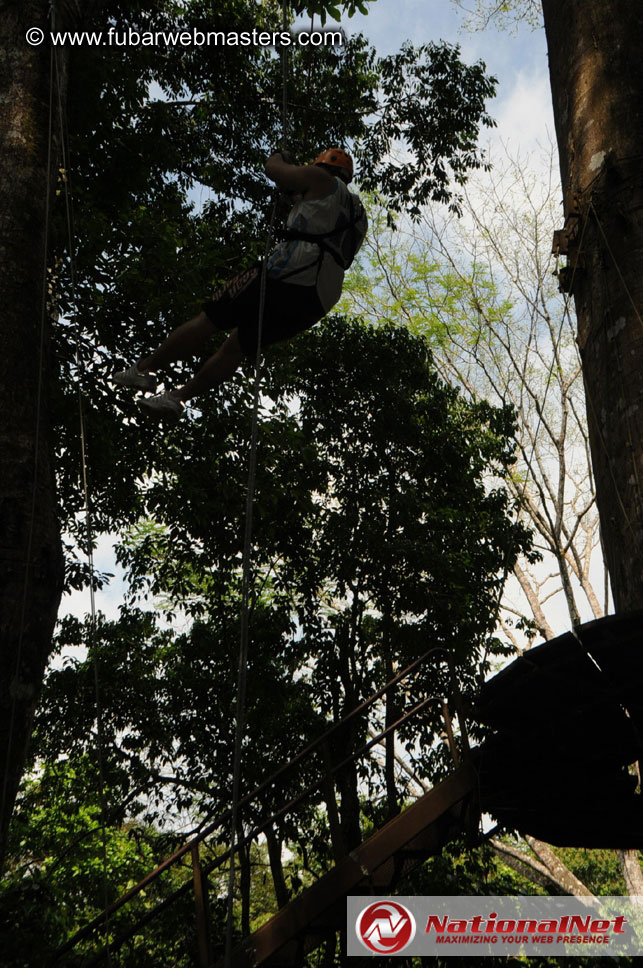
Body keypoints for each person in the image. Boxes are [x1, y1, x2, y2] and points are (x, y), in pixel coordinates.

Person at [113, 147, 368, 420]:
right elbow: (319, 217)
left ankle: (143, 370)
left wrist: (279, 157)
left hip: (290, 272)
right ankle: (176, 398)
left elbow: (274, 171)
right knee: (236, 347)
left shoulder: (320, 179)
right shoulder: (358, 215)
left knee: (208, 319)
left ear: (321, 166)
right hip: (317, 299)